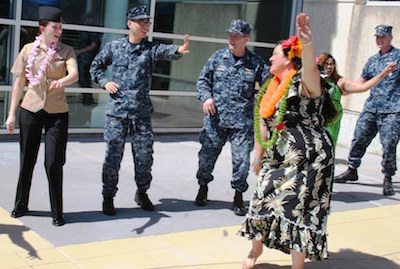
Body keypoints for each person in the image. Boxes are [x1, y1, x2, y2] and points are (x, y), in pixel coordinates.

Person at [239, 13, 337, 269]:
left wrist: (306, 43)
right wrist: (258, 158)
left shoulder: (302, 83)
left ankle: (297, 266)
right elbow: (262, 124)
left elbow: (311, 72)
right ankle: (255, 248)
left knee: (299, 209)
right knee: (261, 198)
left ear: (288, 59)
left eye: (275, 54)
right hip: (279, 155)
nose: (270, 58)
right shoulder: (270, 88)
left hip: (310, 158)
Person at [90, 6, 190, 216]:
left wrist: (178, 50)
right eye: (141, 22)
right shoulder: (114, 47)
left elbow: (165, 51)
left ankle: (142, 192)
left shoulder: (150, 49)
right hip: (117, 114)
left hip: (141, 114)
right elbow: (95, 67)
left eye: (147, 22)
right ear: (130, 24)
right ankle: (108, 196)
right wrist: (105, 82)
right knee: (112, 158)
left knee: (144, 157)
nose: (145, 26)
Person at [5, 6, 79, 226]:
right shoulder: (28, 50)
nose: (59, 31)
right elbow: (19, 83)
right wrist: (11, 114)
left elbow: (74, 74)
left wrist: (62, 81)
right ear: (43, 28)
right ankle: (20, 205)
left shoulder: (66, 50)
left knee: (53, 162)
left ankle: (57, 212)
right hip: (31, 111)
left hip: (57, 114)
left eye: (60, 27)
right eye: (55, 27)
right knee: (27, 160)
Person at [195, 19, 270, 216]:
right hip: (215, 120)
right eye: (230, 35)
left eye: (236, 36)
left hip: (241, 123)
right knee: (206, 158)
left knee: (241, 162)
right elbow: (203, 80)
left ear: (246, 39)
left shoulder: (255, 63)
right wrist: (206, 98)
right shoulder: (217, 58)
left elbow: (269, 86)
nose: (232, 39)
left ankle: (238, 197)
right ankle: (203, 188)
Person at [333, 24, 399, 196]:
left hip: (392, 110)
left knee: (389, 145)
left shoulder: (398, 57)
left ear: (390, 37)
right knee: (359, 138)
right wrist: (347, 89)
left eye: (383, 37)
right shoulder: (372, 60)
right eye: (377, 37)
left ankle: (388, 178)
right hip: (371, 108)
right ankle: (352, 169)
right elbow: (362, 80)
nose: (379, 40)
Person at [318, 53, 396, 146]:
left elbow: (363, 87)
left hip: (332, 119)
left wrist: (383, 74)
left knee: (327, 147)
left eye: (332, 64)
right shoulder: (315, 80)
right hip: (317, 118)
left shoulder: (340, 82)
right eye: (326, 64)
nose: (329, 67)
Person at [76, 12, 101, 105]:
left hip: (88, 58)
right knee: (82, 78)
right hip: (83, 57)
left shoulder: (92, 30)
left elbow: (94, 45)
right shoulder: (85, 30)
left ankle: (88, 98)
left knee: (84, 78)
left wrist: (80, 51)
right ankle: (86, 97)